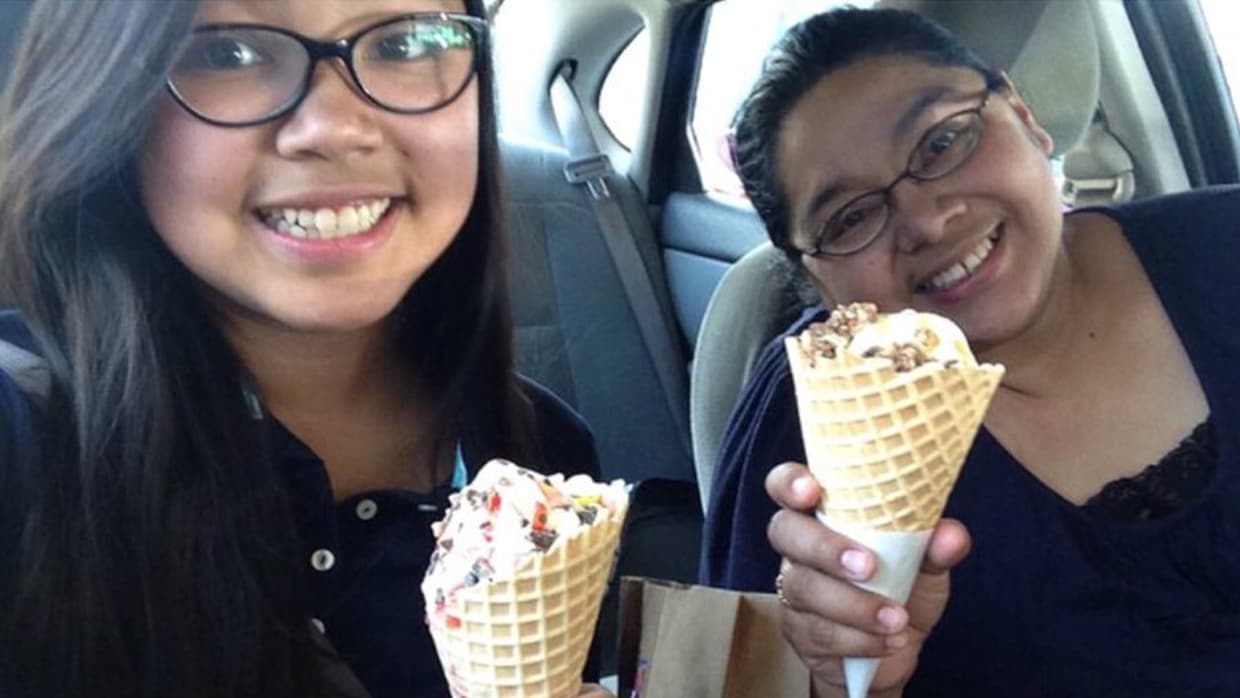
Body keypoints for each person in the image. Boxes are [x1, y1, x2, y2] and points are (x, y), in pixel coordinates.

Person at [0, 2, 614, 697]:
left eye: (406, 43)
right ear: (102, 96)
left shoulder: (551, 470)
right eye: (227, 54)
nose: (335, 128)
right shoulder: (20, 445)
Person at [700, 7, 1240, 698]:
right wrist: (849, 684)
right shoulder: (800, 431)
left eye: (940, 142)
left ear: (1023, 114)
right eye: (851, 218)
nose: (926, 221)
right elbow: (733, 683)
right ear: (815, 278)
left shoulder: (1227, 244)